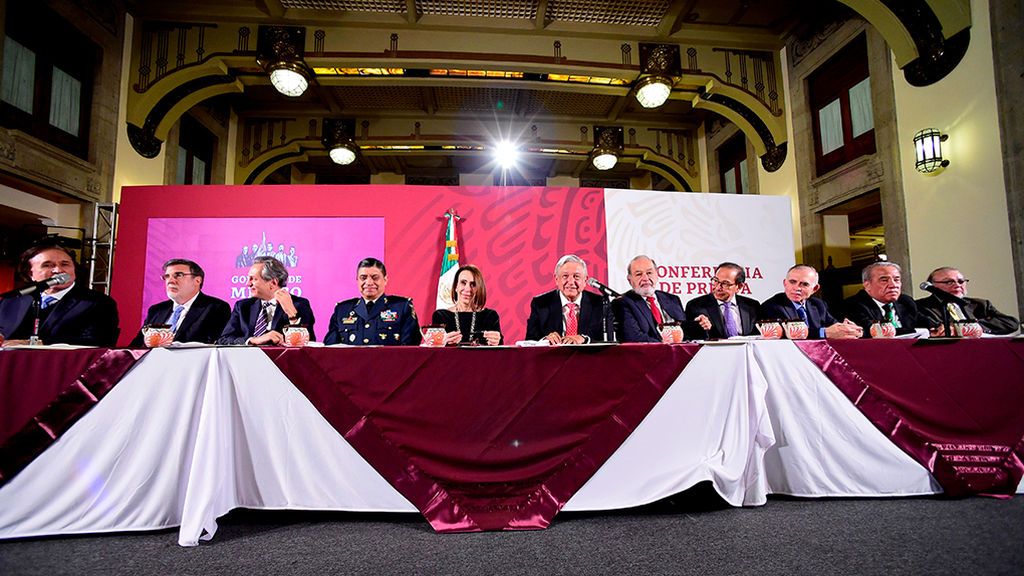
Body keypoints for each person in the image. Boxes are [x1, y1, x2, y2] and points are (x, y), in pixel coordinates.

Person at [0, 240, 118, 347]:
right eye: (47, 265)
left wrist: (36, 343)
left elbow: (98, 340)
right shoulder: (11, 301)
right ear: (30, 274)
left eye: (65, 264)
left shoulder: (97, 302)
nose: (58, 270)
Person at [129, 258, 231, 346]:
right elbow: (137, 346)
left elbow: (212, 345)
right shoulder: (157, 310)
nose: (170, 281)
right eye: (167, 276)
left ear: (197, 280)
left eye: (178, 275)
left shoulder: (216, 308)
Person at [217, 256, 315, 345]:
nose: (248, 283)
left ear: (273, 282)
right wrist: (252, 340)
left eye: (253, 279)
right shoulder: (243, 307)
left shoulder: (299, 304)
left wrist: (292, 316)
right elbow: (224, 339)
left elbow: (308, 343)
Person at [324, 257, 421, 345]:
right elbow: (331, 349)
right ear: (357, 280)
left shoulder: (402, 307)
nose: (369, 282)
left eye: (375, 277)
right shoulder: (342, 310)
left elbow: (410, 348)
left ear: (385, 279)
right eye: (363, 278)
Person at [760, 264, 862, 339]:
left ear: (815, 288)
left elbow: (833, 326)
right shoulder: (772, 306)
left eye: (804, 284)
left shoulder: (819, 305)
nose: (797, 288)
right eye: (792, 282)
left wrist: (850, 330)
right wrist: (824, 333)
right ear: (785, 283)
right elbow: (787, 335)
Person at [525, 254, 605, 344]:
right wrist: (545, 341)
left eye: (576, 276)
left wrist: (585, 340)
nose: (571, 282)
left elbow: (609, 341)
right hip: (554, 356)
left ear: (585, 280)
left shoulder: (600, 304)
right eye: (565, 276)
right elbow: (529, 342)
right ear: (556, 279)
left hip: (588, 357)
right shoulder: (541, 304)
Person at [916, 267, 1019, 335]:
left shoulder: (980, 304)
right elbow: (936, 328)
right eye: (949, 282)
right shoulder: (921, 306)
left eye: (961, 281)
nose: (957, 285)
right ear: (932, 286)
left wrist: (975, 327)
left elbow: (1011, 323)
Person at [612, 255, 686, 342]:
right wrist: (662, 343)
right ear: (630, 280)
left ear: (657, 275)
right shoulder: (622, 302)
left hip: (680, 353)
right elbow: (633, 337)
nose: (645, 278)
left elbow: (685, 330)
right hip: (645, 354)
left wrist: (698, 325)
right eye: (638, 274)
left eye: (649, 273)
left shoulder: (672, 299)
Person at [684, 262, 760, 339]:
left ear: (739, 287)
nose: (717, 287)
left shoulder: (752, 306)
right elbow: (688, 337)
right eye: (715, 281)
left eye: (725, 284)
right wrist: (696, 326)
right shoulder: (695, 306)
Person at [431, 264, 502, 345]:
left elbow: (500, 352)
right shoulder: (440, 316)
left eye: (473, 284)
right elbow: (434, 350)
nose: (468, 289)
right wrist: (441, 342)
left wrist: (497, 342)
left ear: (479, 289)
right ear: (455, 286)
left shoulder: (490, 316)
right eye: (463, 283)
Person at [842, 261, 918, 336]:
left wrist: (929, 326)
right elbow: (874, 332)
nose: (893, 285)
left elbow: (923, 320)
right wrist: (916, 331)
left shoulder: (905, 301)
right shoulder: (853, 305)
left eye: (896, 280)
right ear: (867, 285)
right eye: (884, 280)